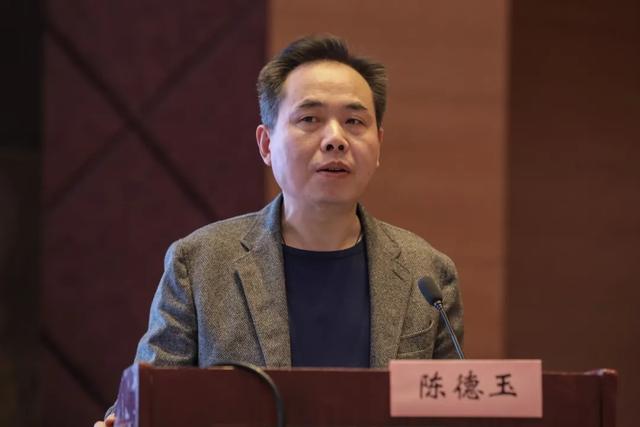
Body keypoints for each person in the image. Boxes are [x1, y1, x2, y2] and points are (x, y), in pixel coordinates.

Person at [94, 34, 463, 427]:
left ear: (379, 144)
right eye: (310, 119)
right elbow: (146, 401)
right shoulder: (200, 264)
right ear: (266, 144)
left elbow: (453, 413)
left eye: (354, 122)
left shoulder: (428, 275)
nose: (335, 139)